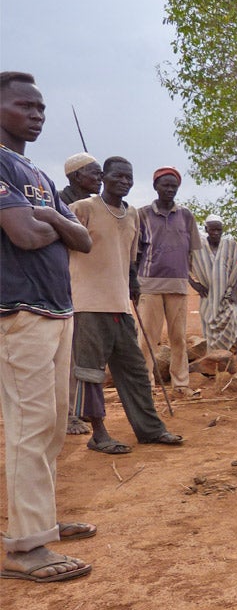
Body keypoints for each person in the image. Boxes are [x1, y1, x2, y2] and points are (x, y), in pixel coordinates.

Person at [1, 71, 95, 582]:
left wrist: (53, 222)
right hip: (20, 309)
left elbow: (82, 240)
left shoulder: (32, 171)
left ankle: (38, 521)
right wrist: (55, 223)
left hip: (57, 307)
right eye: (24, 106)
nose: (36, 114)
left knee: (54, 422)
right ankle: (26, 547)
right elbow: (24, 234)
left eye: (40, 108)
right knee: (29, 425)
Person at [68, 157, 185, 454]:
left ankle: (150, 428)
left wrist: (132, 284)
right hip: (89, 304)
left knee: (134, 370)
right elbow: (61, 249)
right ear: (104, 177)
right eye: (118, 175)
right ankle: (99, 434)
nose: (125, 181)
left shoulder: (132, 214)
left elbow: (131, 258)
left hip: (120, 304)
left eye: (129, 177)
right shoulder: (82, 209)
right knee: (91, 373)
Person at [136, 166, 202, 399]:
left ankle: (181, 384)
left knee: (178, 338)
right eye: (165, 185)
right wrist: (134, 284)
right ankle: (145, 385)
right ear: (155, 187)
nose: (170, 190)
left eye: (173, 186)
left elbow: (192, 252)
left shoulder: (186, 216)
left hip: (177, 285)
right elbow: (135, 252)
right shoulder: (142, 214)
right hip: (150, 284)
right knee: (147, 338)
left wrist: (192, 280)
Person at [59, 152, 103, 434]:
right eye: (95, 174)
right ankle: (67, 415)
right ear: (77, 176)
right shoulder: (60, 203)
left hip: (88, 286)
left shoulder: (95, 205)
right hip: (64, 285)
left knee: (86, 351)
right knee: (68, 354)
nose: (100, 179)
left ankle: (80, 409)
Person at [189, 214, 237, 357]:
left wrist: (233, 292)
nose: (216, 233)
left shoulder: (231, 245)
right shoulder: (197, 246)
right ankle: (214, 360)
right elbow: (182, 263)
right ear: (206, 229)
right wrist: (194, 284)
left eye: (219, 230)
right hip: (208, 299)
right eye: (212, 230)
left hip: (227, 296)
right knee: (210, 331)